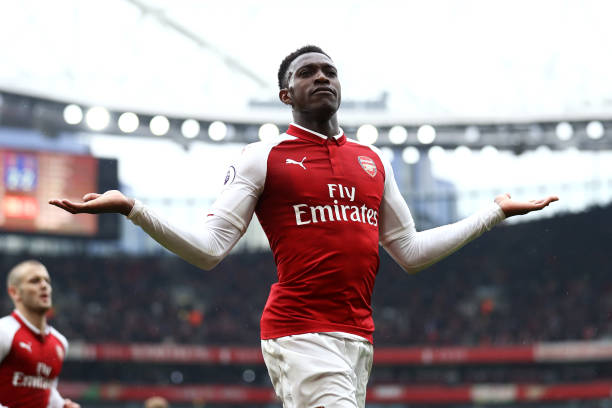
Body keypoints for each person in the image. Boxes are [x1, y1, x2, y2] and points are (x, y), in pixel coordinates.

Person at [49, 45, 558, 408]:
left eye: (329, 71)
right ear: (285, 93)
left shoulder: (372, 160)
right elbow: (208, 250)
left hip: (358, 336)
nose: (322, 78)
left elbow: (410, 250)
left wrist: (493, 213)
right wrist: (132, 208)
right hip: (300, 330)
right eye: (308, 72)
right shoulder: (263, 157)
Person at [0, 260, 79, 408]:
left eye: (47, 281)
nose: (44, 286)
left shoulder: (60, 342)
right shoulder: (3, 331)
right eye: (34, 281)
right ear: (14, 292)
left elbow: (45, 389)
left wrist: (61, 405)